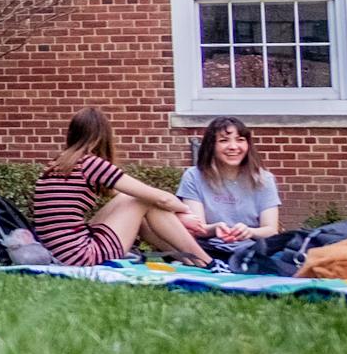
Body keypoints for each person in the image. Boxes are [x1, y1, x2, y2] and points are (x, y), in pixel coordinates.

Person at [30, 108, 213, 267]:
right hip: (81, 256)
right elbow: (160, 198)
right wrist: (184, 212)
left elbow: (121, 196)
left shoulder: (56, 165)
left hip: (60, 252)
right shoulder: (90, 163)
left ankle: (188, 258)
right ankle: (207, 261)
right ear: (103, 137)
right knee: (141, 200)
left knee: (131, 202)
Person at [176, 116, 282, 245]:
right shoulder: (193, 176)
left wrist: (249, 232)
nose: (233, 147)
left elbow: (271, 230)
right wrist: (215, 228)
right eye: (224, 140)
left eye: (240, 140)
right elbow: (197, 228)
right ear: (211, 146)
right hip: (208, 248)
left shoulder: (264, 179)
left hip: (253, 249)